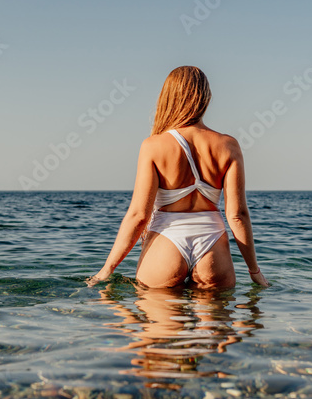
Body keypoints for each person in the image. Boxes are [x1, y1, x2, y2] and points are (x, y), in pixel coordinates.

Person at [88, 66, 269, 289]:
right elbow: (238, 216)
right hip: (213, 251)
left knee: (160, 319)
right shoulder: (228, 146)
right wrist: (254, 271)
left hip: (166, 247)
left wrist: (107, 269)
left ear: (168, 97)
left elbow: (138, 216)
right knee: (216, 321)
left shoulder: (153, 146)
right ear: (206, 97)